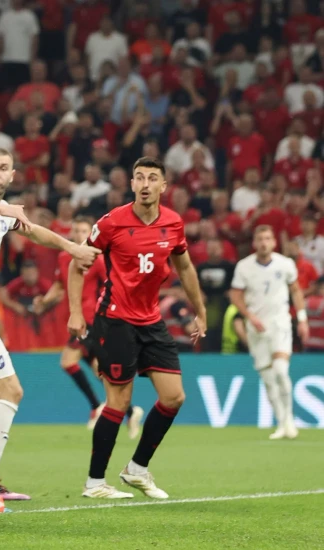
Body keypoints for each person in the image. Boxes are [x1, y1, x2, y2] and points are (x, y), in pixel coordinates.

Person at [67, 156, 208, 500]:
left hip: (151, 320)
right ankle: (95, 483)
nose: (145, 184)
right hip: (114, 320)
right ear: (131, 184)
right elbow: (77, 263)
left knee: (174, 397)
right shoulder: (112, 222)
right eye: (139, 177)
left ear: (164, 186)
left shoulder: (174, 223)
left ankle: (137, 469)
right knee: (119, 401)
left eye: (152, 178)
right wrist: (75, 312)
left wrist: (199, 311)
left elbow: (186, 268)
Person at [39, 218, 144, 434]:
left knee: (68, 362)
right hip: (76, 318)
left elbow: (112, 285)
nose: (79, 234)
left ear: (91, 233)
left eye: (84, 230)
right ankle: (130, 410)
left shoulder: (96, 258)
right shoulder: (63, 257)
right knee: (100, 368)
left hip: (92, 319)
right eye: (76, 230)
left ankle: (97, 406)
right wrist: (45, 301)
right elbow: (60, 285)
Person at [229, 225, 309, 440]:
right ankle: (282, 423)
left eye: (267, 238)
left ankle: (290, 420)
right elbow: (235, 295)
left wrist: (302, 319)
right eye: (260, 239)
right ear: (254, 243)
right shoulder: (244, 267)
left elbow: (295, 290)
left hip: (280, 323)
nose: (264, 242)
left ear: (274, 242)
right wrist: (249, 316)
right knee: (268, 378)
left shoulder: (285, 264)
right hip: (256, 327)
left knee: (281, 371)